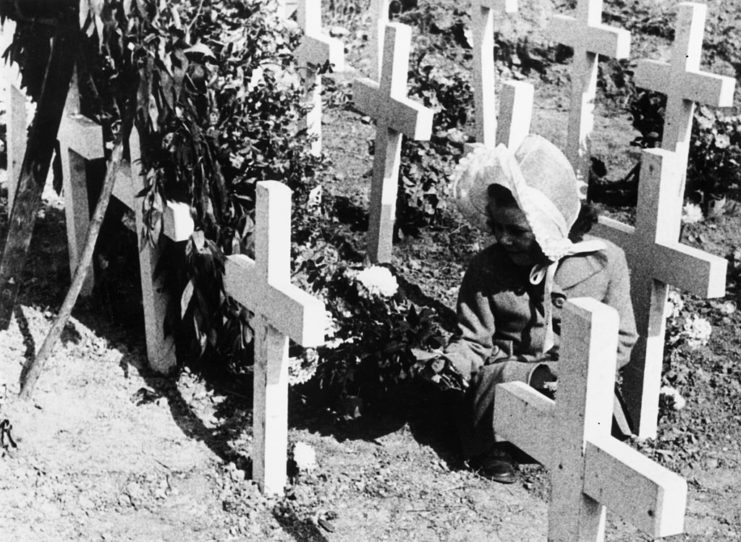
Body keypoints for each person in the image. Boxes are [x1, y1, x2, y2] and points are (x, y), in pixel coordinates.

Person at [442, 135, 638, 484]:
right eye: (496, 227)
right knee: (502, 381)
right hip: (512, 377)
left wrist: (571, 373)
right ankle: (498, 447)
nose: (503, 239)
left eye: (516, 231)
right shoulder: (487, 268)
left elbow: (622, 339)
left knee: (590, 412)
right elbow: (474, 339)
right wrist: (451, 363)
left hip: (575, 379)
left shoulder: (605, 262)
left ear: (549, 226)